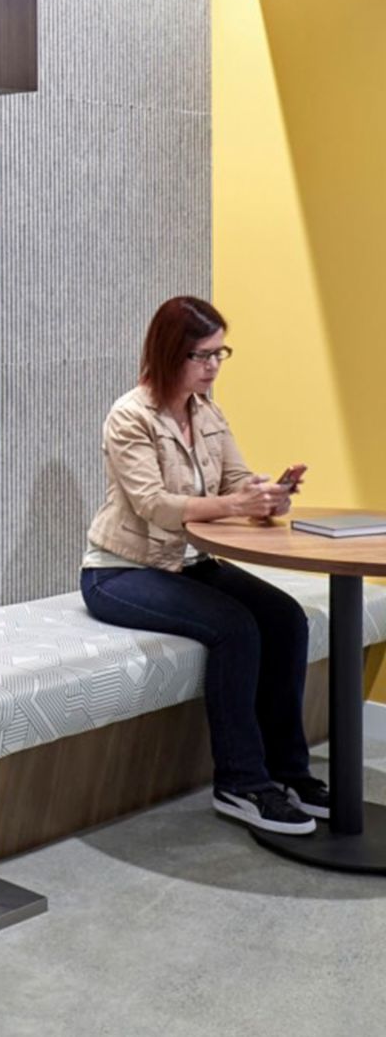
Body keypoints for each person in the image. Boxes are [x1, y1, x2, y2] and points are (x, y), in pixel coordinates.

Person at [81, 296, 328, 836]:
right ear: (171, 351)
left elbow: (235, 482)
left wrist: (266, 495)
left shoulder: (207, 411)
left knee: (286, 618)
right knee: (235, 628)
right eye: (203, 355)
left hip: (190, 562)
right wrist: (236, 504)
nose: (214, 365)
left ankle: (289, 772)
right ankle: (241, 783)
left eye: (221, 353)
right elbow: (154, 505)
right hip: (122, 571)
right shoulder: (130, 417)